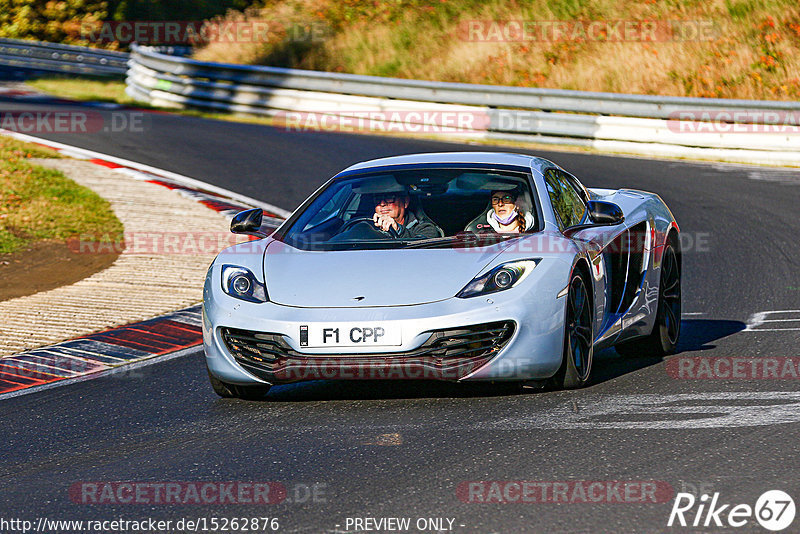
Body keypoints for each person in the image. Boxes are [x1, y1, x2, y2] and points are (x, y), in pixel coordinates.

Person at [372, 192, 443, 238]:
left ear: (405, 202)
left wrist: (398, 230)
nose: (382, 204)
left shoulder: (426, 228)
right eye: (377, 199)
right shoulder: (368, 226)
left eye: (389, 197)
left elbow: (421, 246)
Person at [465, 188, 535, 233]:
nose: (500, 204)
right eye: (495, 199)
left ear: (517, 203)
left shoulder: (536, 231)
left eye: (506, 198)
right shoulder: (480, 232)